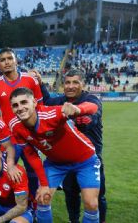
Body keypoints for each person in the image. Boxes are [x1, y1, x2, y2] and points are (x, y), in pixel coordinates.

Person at [9, 87, 101, 223]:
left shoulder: (51, 114)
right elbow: (31, 155)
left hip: (85, 160)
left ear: (34, 103)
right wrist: (44, 184)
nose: (20, 108)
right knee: (42, 198)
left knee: (91, 204)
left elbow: (93, 106)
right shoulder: (15, 126)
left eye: (24, 102)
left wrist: (78, 109)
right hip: (55, 164)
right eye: (15, 105)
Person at [34, 69, 107, 223]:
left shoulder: (91, 99)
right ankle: (73, 220)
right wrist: (40, 84)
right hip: (65, 158)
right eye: (67, 82)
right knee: (70, 192)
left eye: (75, 82)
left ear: (83, 84)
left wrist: (77, 113)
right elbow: (45, 101)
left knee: (96, 198)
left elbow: (90, 117)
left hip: (90, 157)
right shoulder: (59, 101)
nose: (70, 86)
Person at [0, 47, 44, 207]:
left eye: (9, 58)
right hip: (9, 140)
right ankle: (9, 204)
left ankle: (34, 206)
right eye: (3, 60)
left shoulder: (30, 80)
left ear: (16, 60)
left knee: (33, 172)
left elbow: (40, 107)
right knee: (5, 172)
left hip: (31, 137)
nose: (7, 62)